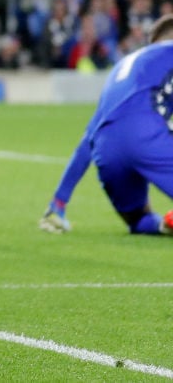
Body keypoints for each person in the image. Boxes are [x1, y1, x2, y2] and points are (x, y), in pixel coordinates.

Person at [40, 13, 173, 236]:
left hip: (107, 149)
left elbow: (88, 139)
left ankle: (163, 225)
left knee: (138, 219)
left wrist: (59, 202)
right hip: (145, 135)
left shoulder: (122, 68)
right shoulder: (168, 52)